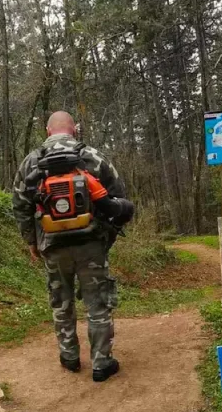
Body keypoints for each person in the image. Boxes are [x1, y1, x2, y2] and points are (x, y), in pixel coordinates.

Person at [12, 111, 135, 382]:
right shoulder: (92, 156)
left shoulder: (31, 161)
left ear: (48, 131)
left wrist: (32, 242)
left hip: (53, 246)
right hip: (91, 244)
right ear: (74, 130)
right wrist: (108, 231)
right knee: (98, 303)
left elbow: (20, 205)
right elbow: (118, 197)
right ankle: (102, 363)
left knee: (61, 301)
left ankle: (69, 357)